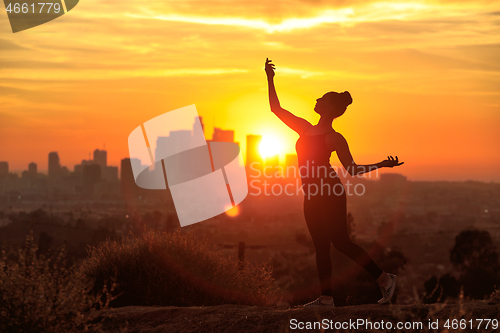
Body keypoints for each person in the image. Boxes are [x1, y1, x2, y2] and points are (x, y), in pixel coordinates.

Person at [264, 58, 404, 307]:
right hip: (311, 195)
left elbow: (352, 169)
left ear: (329, 108)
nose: (316, 100)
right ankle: (326, 298)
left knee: (341, 242)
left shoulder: (334, 137)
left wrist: (381, 165)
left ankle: (384, 279)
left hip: (330, 192)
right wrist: (270, 78)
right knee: (320, 247)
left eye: (322, 98)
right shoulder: (304, 128)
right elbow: (276, 109)